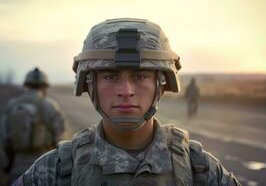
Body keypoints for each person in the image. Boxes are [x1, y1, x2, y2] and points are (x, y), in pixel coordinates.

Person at [13, 18, 240, 186]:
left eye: (140, 76)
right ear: (90, 85)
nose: (126, 91)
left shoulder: (199, 169)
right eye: (111, 77)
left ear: (160, 84)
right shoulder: (55, 171)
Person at [0, 67, 65, 185]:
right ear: (44, 87)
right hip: (45, 168)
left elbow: (4, 138)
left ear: (26, 85)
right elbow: (60, 139)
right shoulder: (50, 106)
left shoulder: (12, 104)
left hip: (17, 167)